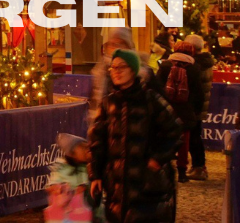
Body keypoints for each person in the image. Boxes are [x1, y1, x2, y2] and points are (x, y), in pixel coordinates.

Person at [89, 49, 181, 223]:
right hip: (116, 186)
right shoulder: (108, 103)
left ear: (133, 70)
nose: (116, 71)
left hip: (147, 186)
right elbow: (97, 141)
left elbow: (174, 130)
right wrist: (96, 175)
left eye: (121, 67)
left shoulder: (151, 100)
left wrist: (157, 159)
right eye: (113, 67)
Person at [156, 40, 200, 183]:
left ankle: (163, 168)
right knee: (183, 143)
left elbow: (157, 87)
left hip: (167, 109)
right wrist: (195, 110)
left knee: (164, 138)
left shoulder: (165, 66)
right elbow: (198, 93)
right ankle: (182, 172)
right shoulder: (193, 69)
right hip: (185, 110)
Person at [47, 133, 101, 222]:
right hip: (72, 216)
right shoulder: (62, 169)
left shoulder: (91, 167)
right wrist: (57, 188)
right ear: (72, 154)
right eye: (82, 148)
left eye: (86, 146)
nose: (87, 150)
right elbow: (52, 185)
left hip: (91, 214)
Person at [185, 34, 214, 180]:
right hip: (199, 104)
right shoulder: (204, 61)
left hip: (196, 105)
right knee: (194, 136)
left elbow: (196, 86)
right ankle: (198, 166)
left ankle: (199, 166)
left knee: (194, 137)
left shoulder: (197, 64)